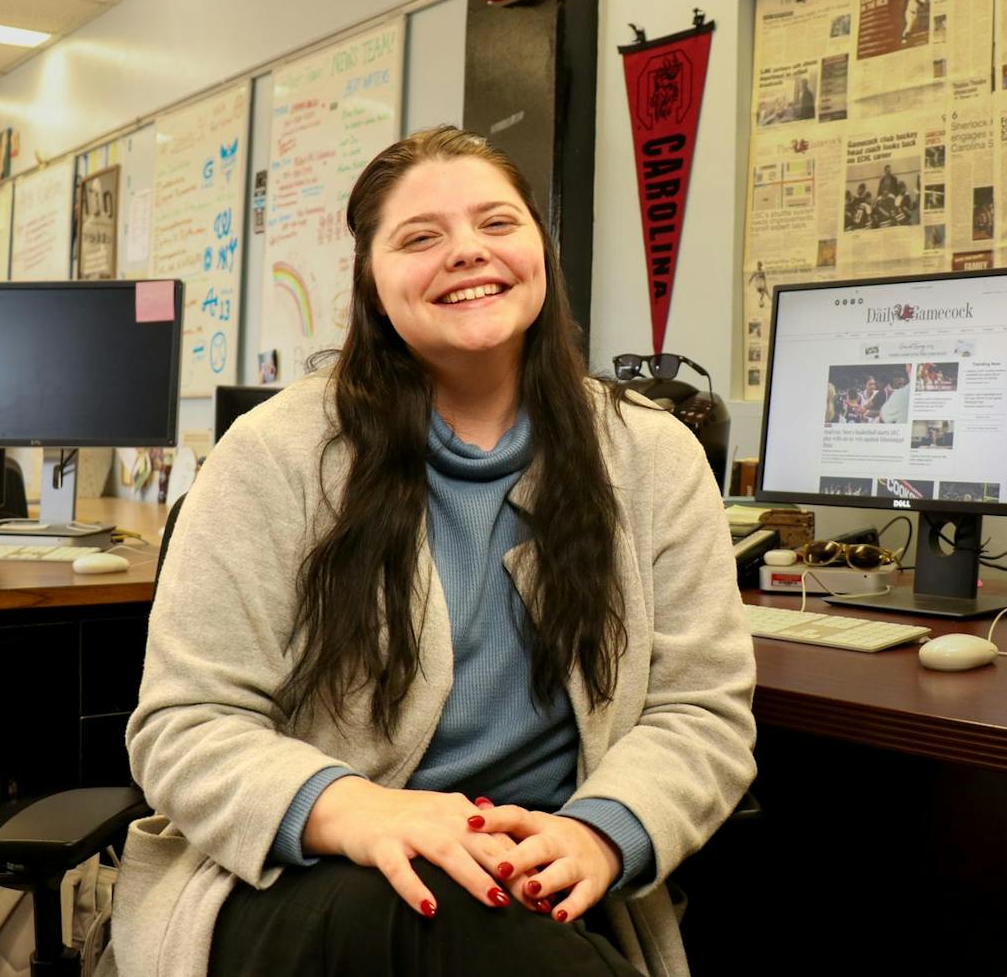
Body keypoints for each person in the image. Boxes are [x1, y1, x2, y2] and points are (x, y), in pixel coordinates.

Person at [110, 127, 758, 977]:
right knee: (458, 932)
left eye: (497, 223)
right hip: (308, 871)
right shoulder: (274, 452)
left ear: (540, 252)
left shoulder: (650, 452)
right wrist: (361, 809)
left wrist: (601, 831)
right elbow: (184, 725)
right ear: (373, 284)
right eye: (420, 237)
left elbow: (701, 710)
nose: (466, 252)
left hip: (538, 878)